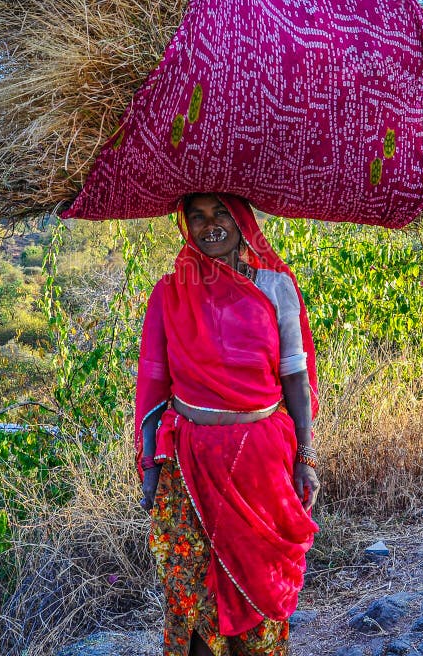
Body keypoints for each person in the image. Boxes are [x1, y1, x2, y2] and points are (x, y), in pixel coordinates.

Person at [135, 193, 321, 656]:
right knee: (191, 600)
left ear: (241, 222)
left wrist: (305, 456)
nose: (209, 225)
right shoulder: (169, 292)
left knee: (256, 595)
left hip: (258, 462)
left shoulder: (276, 287)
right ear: (185, 227)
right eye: (197, 217)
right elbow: (153, 384)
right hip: (188, 462)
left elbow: (295, 376)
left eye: (220, 213)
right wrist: (150, 467)